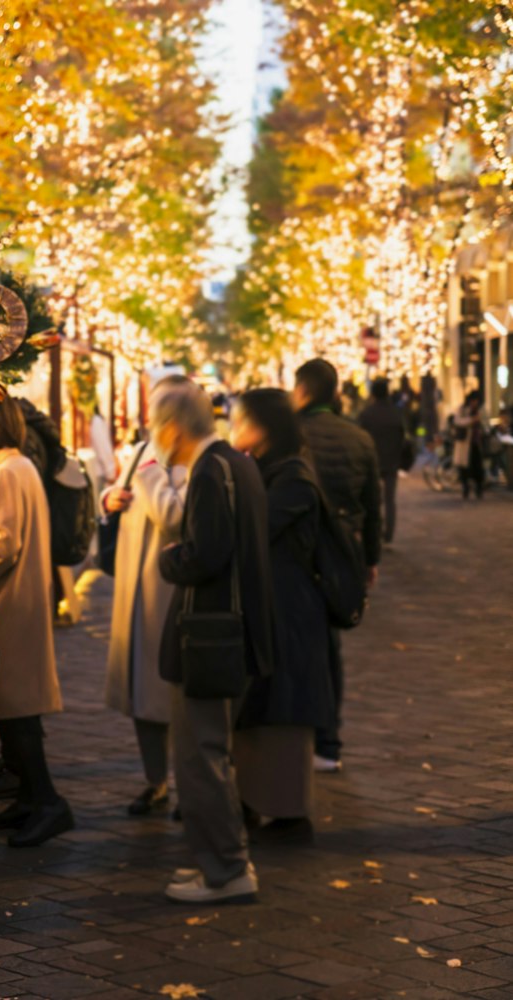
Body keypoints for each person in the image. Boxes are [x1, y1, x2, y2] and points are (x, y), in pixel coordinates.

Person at [153, 377, 275, 904]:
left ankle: (224, 870)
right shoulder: (238, 463)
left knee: (200, 755)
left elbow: (207, 554)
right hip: (236, 630)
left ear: (173, 426)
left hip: (210, 636)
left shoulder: (209, 471)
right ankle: (222, 861)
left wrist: (168, 556)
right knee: (212, 753)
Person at [229, 389, 333, 842]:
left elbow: (256, 529)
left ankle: (289, 813)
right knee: (257, 705)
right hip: (271, 602)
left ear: (264, 426)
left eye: (240, 419)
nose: (232, 426)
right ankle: (252, 801)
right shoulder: (269, 468)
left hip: (287, 608)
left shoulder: (291, 475)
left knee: (282, 707)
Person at [0, 394, 72, 848]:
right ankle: (33, 800)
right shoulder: (22, 468)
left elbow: (2, 545)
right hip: (20, 605)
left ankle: (48, 802)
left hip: (8, 606)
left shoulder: (9, 472)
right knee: (16, 712)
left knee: (17, 712)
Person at [294, 359, 380, 774]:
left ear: (302, 391)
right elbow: (373, 505)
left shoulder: (290, 436)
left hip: (299, 549)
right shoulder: (359, 438)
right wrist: (370, 560)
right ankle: (328, 743)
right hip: (344, 551)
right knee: (330, 648)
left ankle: (296, 738)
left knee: (295, 643)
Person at [102, 433, 187, 817]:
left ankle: (189, 788)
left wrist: (151, 478)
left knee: (176, 696)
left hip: (168, 591)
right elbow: (116, 493)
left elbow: (176, 517)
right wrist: (109, 500)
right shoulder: (140, 451)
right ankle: (156, 781)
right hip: (132, 588)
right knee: (142, 696)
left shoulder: (195, 458)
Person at [358, 378, 407, 545]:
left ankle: (376, 531)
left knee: (373, 499)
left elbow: (360, 438)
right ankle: (389, 534)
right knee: (390, 500)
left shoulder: (367, 414)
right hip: (392, 461)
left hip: (372, 461)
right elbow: (402, 437)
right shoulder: (396, 413)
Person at [452, 390, 488, 500]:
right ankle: (466, 489)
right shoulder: (462, 409)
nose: (474, 403)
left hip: (477, 443)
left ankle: (479, 489)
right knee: (464, 468)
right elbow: (457, 421)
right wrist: (471, 420)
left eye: (476, 400)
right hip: (465, 444)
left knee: (478, 468)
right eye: (473, 400)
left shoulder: (481, 410)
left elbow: (486, 425)